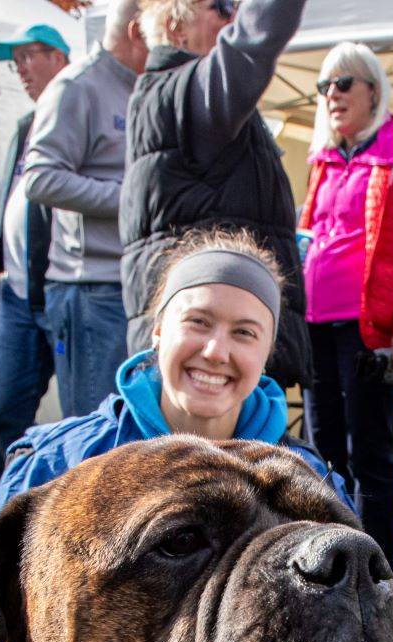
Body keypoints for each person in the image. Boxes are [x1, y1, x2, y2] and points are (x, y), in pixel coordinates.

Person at [0, 229, 341, 511]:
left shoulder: (310, 485)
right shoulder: (57, 467)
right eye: (198, 322)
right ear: (158, 330)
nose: (216, 351)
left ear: (267, 352)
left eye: (244, 333)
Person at [299, 41, 393, 579]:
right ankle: (327, 562)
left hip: (369, 330)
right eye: (323, 87)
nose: (331, 95)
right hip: (314, 328)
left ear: (372, 91)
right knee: (321, 446)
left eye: (342, 84)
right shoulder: (322, 159)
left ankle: (376, 570)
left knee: (369, 450)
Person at [121, 0, 313, 388]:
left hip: (214, 332)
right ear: (177, 28)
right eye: (222, 7)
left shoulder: (177, 98)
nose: (233, 18)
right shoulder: (184, 96)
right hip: (216, 341)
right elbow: (253, 42)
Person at [23, 0, 145, 420]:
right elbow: (39, 178)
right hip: (91, 290)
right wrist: (131, 197)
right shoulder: (77, 86)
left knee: (130, 434)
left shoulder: (144, 85)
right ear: (137, 31)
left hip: (134, 285)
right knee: (99, 433)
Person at [0, 24, 71, 485]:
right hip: (14, 292)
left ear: (58, 57)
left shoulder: (79, 110)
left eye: (29, 56)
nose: (20, 70)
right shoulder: (25, 125)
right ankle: (4, 499)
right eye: (14, 60)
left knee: (83, 410)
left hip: (62, 288)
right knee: (6, 408)